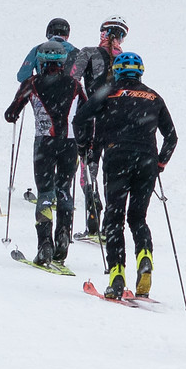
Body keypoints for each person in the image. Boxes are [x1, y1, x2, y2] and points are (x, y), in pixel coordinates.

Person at [72, 52, 178, 299]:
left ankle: (117, 275)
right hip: (147, 161)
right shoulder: (154, 96)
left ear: (117, 71)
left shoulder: (107, 92)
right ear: (140, 71)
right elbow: (171, 136)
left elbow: (79, 120)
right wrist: (160, 162)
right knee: (138, 218)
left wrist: (84, 146)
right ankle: (145, 258)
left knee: (114, 218)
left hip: (116, 157)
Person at [5, 40, 87, 263]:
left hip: (44, 143)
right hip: (70, 144)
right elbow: (87, 111)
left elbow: (11, 113)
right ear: (62, 62)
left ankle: (44, 247)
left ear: (41, 61)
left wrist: (20, 111)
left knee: (45, 194)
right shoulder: (75, 84)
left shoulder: (32, 82)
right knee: (64, 190)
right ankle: (63, 238)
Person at [69, 15, 129, 238]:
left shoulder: (88, 53)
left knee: (88, 165)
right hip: (117, 121)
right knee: (111, 171)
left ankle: (93, 215)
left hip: (92, 116)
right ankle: (111, 224)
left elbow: (72, 79)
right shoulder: (126, 59)